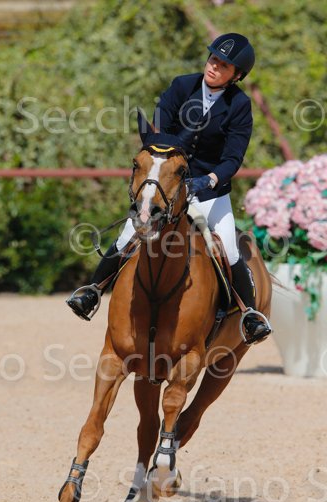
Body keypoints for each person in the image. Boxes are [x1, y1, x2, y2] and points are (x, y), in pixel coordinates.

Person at [67, 33, 271, 344]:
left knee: (229, 247)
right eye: (213, 59)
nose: (214, 66)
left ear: (237, 75)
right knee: (127, 234)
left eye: (224, 65)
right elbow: (160, 131)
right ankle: (92, 291)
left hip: (209, 191)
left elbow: (233, 158)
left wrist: (209, 179)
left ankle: (250, 315)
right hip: (167, 185)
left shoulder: (239, 105)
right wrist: (166, 172)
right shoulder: (182, 86)